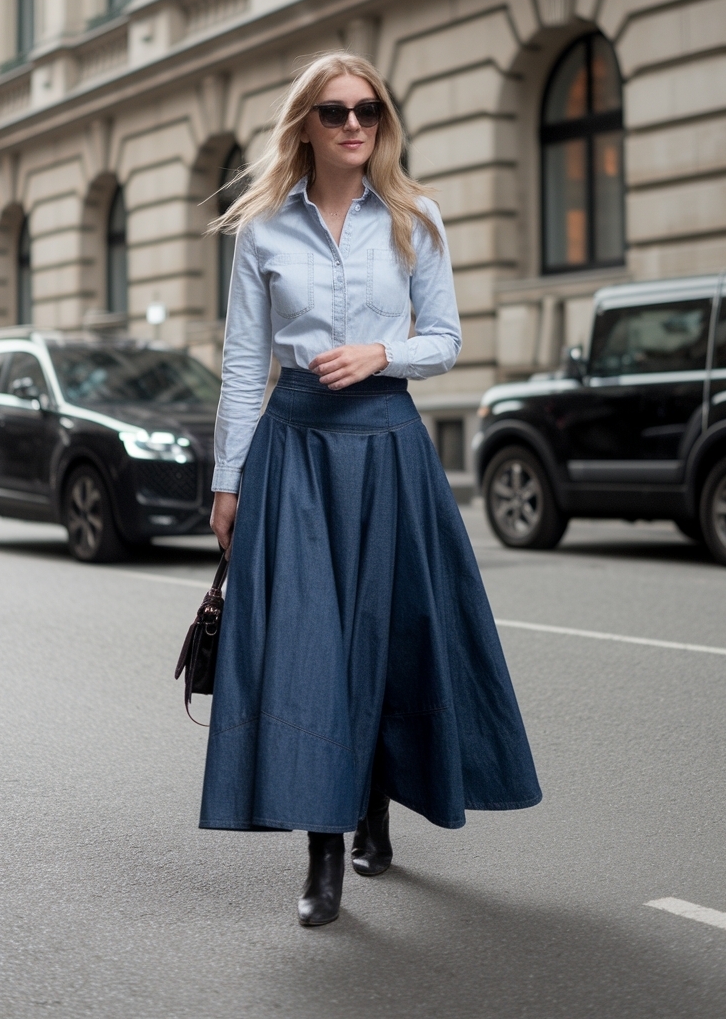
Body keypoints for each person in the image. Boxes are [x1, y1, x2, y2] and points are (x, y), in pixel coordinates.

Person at [203, 52, 541, 927]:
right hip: (297, 452)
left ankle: (375, 806)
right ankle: (323, 855)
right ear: (304, 126)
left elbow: (449, 339)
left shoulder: (414, 217)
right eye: (335, 112)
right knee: (311, 651)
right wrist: (228, 481)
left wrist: (384, 354)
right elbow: (245, 365)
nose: (355, 124)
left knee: (391, 638)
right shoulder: (263, 230)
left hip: (389, 447)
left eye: (369, 110)